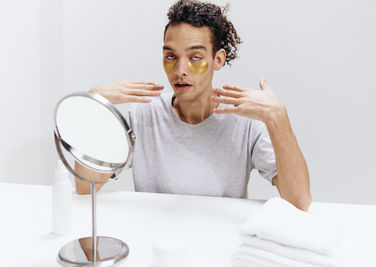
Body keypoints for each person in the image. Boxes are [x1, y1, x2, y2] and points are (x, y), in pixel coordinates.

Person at [76, 0, 311, 211]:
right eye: (171, 57)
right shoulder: (144, 115)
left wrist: (278, 118)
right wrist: (94, 105)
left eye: (195, 58)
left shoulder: (245, 123)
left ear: (217, 59)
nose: (180, 71)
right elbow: (86, 186)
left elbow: (299, 201)